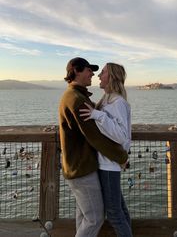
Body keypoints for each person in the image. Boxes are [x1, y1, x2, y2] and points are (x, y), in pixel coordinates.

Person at [58, 57, 128, 237]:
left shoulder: (75, 96)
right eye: (89, 70)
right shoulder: (78, 99)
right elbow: (96, 137)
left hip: (80, 166)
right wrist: (121, 157)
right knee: (95, 218)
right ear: (76, 70)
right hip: (82, 167)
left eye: (99, 72)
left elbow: (104, 132)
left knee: (86, 215)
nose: (93, 74)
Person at [79, 63, 133, 237]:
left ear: (111, 77)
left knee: (114, 214)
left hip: (109, 166)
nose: (98, 76)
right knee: (119, 210)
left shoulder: (118, 102)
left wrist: (97, 115)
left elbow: (122, 135)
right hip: (107, 163)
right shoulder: (107, 100)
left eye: (102, 73)